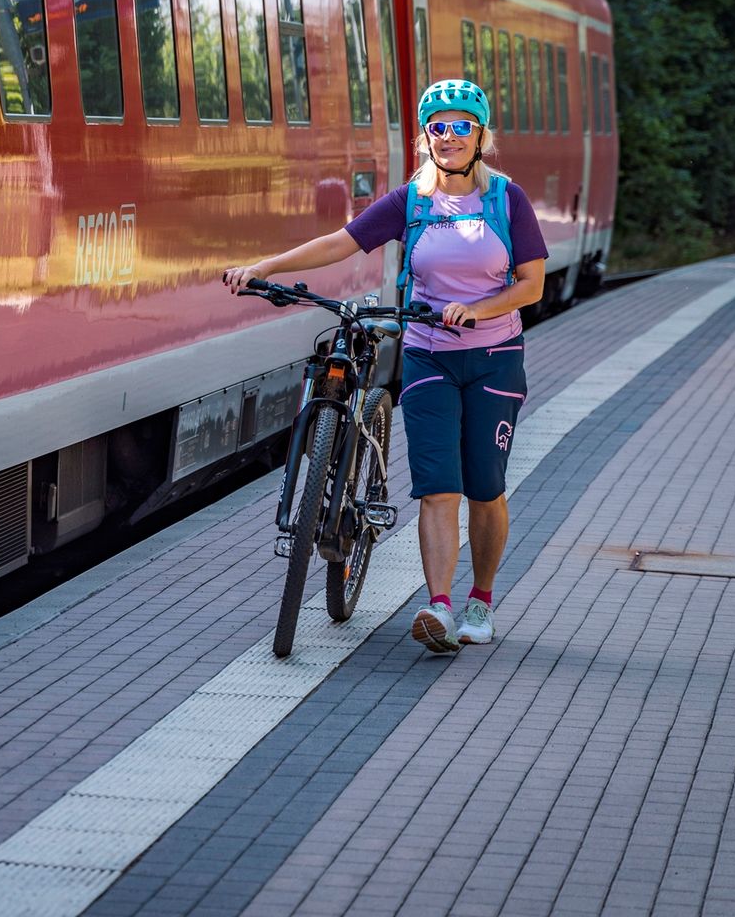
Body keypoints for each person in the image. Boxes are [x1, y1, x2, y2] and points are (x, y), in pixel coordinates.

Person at [223, 79, 547, 653]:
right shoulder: (412, 201)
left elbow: (531, 285)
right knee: (437, 488)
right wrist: (263, 267)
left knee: (486, 487)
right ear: (427, 137)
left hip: (494, 357)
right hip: (428, 354)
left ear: (480, 136)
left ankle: (481, 599)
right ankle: (440, 607)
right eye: (439, 128)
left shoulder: (506, 199)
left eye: (461, 127)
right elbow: (341, 243)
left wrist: (476, 311)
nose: (449, 137)